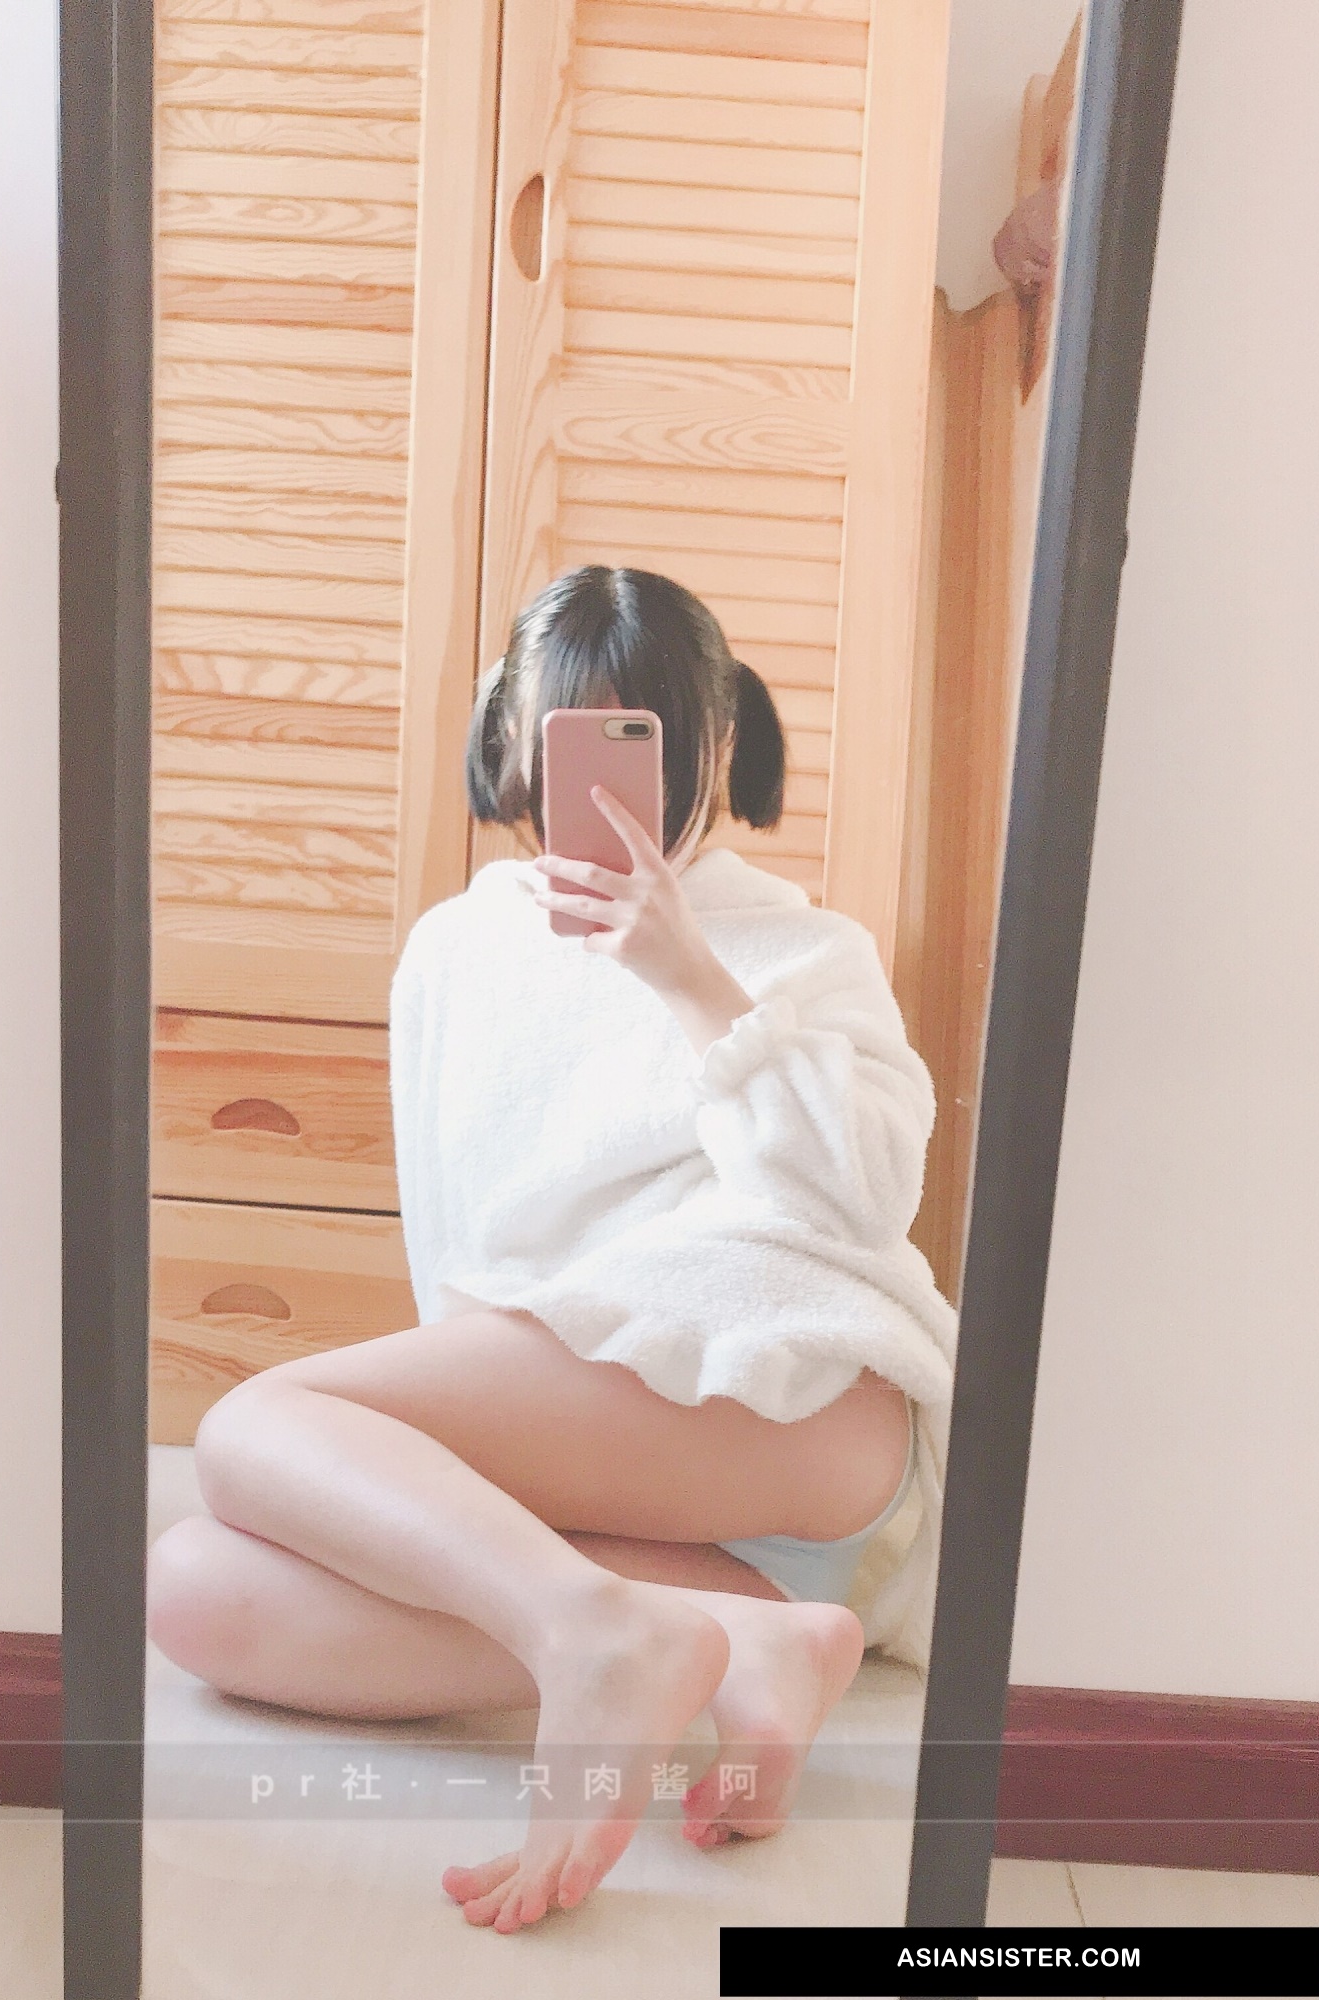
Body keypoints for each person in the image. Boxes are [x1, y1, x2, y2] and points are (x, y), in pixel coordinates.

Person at [147, 567, 956, 1935]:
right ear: (514, 741)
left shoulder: (808, 946)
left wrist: (692, 975)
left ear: (715, 744)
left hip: (799, 1401)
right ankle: (741, 1639)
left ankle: (592, 1634)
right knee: (197, 1591)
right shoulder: (457, 950)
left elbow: (868, 1203)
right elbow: (459, 1238)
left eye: (648, 742)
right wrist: (445, 1475)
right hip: (704, 1518)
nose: (609, 786)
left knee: (249, 1429)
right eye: (575, 737)